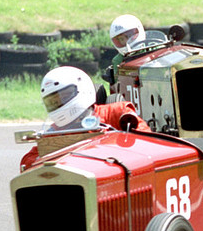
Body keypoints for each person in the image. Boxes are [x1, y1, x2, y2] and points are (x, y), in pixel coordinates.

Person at [20, 66, 150, 170]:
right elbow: (27, 162)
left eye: (63, 97)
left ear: (82, 89)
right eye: (53, 102)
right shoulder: (55, 132)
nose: (58, 104)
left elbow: (147, 141)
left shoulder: (116, 113)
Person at [109, 14, 145, 83]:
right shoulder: (118, 60)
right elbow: (118, 84)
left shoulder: (152, 49)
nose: (126, 41)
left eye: (128, 36)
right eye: (121, 39)